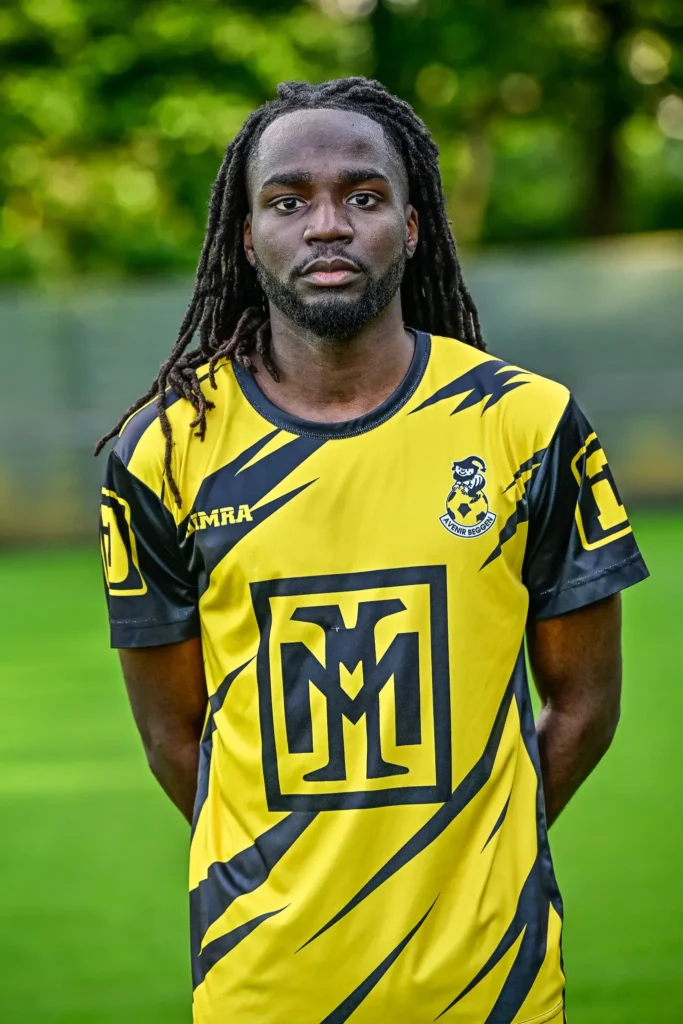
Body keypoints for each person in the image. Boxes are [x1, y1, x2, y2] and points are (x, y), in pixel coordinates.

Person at [96, 78, 648, 1024]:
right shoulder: (166, 452)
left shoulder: (527, 423)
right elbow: (171, 736)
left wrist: (472, 846)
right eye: (287, 200)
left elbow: (585, 703)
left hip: (490, 980)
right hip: (264, 980)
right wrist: (299, 863)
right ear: (244, 235)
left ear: (414, 225)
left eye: (362, 196)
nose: (325, 225)